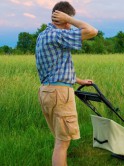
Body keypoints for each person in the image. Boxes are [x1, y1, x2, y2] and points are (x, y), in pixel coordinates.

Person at [35, 1, 98, 165]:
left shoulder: (43, 35)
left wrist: (79, 80)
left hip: (47, 91)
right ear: (63, 19)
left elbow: (56, 68)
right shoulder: (57, 35)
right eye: (69, 21)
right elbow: (92, 31)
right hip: (59, 93)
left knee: (59, 139)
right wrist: (70, 19)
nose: (70, 26)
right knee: (63, 143)